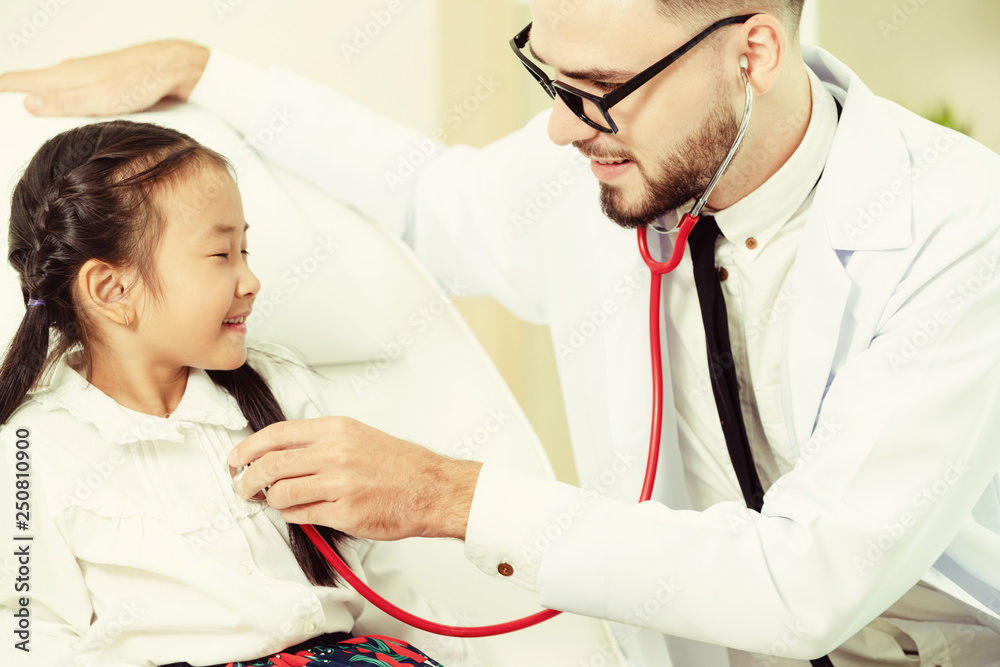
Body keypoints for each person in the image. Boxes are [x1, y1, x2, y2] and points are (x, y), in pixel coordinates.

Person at [2, 0, 1000, 665]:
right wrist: (204, 69)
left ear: (753, 53)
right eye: (546, 77)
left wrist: (444, 493)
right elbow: (426, 197)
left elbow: (807, 581)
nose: (564, 130)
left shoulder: (959, 228)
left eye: (598, 89)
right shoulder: (605, 158)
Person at [0, 120, 469, 666]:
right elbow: (32, 633)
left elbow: (371, 573)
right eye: (222, 256)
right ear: (112, 289)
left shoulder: (280, 392)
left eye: (246, 249)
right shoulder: (32, 450)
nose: (251, 280)